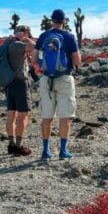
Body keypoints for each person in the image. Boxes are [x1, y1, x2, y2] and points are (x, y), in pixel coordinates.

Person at [32, 9, 81, 160]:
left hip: (46, 79)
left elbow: (34, 58)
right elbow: (77, 60)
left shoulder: (43, 36)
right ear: (64, 21)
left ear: (51, 20)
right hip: (64, 78)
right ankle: (63, 151)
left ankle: (46, 151)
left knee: (47, 117)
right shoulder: (69, 36)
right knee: (64, 117)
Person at [4, 25, 36, 156]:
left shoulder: (7, 43)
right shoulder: (18, 45)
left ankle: (11, 144)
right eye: (27, 33)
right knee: (23, 115)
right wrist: (24, 38)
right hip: (20, 84)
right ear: (23, 33)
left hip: (9, 83)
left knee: (11, 114)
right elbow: (33, 46)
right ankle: (19, 145)